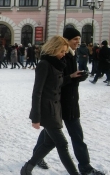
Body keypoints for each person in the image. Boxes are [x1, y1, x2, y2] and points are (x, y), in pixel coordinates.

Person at [33, 28, 104, 175]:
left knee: (74, 135)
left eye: (78, 38)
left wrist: (76, 77)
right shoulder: (57, 57)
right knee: (52, 135)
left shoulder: (71, 54)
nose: (78, 41)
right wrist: (71, 77)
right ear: (66, 41)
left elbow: (65, 79)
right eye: (75, 39)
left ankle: (85, 166)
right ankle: (36, 158)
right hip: (58, 103)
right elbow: (52, 83)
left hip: (71, 102)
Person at [21, 35, 80, 175]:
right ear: (54, 49)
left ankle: (27, 168)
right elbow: (37, 92)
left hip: (56, 109)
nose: (64, 54)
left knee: (49, 143)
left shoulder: (56, 64)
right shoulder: (44, 64)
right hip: (47, 110)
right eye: (62, 51)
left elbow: (56, 84)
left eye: (65, 51)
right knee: (62, 144)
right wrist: (35, 117)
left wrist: (71, 77)